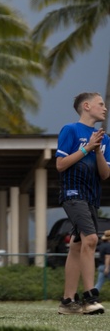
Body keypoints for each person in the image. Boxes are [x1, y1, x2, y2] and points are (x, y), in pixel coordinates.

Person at [55, 91, 109, 315]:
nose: (105, 108)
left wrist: (96, 150)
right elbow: (60, 164)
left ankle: (68, 302)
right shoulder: (70, 130)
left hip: (91, 198)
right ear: (86, 106)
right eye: (101, 104)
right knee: (92, 238)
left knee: (77, 246)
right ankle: (89, 297)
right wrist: (86, 147)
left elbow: (105, 174)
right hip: (72, 193)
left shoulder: (104, 138)